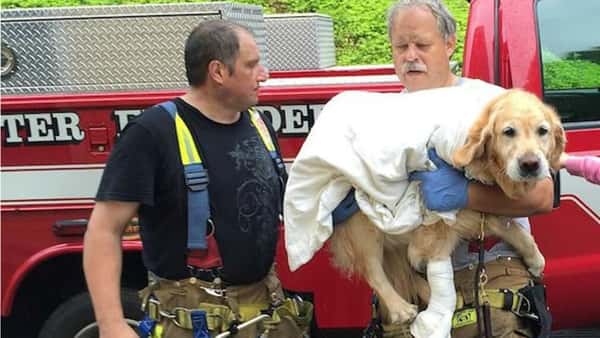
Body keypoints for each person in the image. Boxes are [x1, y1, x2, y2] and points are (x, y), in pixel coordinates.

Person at [334, 1, 554, 337]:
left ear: (450, 44)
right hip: (411, 286)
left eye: (422, 45)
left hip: (487, 279)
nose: (410, 55)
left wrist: (464, 193)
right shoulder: (377, 118)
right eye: (401, 46)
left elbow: (541, 196)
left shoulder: (491, 103)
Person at [83, 20, 310, 338]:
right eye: (252, 65)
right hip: (192, 321)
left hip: (266, 312)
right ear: (218, 72)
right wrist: (111, 324)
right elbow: (103, 230)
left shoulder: (259, 123)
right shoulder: (151, 133)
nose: (264, 74)